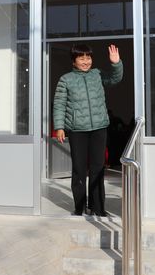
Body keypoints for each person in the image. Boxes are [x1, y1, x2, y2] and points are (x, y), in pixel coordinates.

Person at [53, 44, 123, 216]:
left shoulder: (97, 74)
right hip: (77, 130)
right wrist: (59, 127)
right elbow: (59, 104)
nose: (86, 61)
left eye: (88, 58)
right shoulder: (66, 79)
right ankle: (79, 207)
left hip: (99, 127)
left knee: (98, 168)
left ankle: (98, 207)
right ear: (74, 61)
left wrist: (116, 63)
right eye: (81, 58)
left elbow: (114, 79)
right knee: (79, 168)